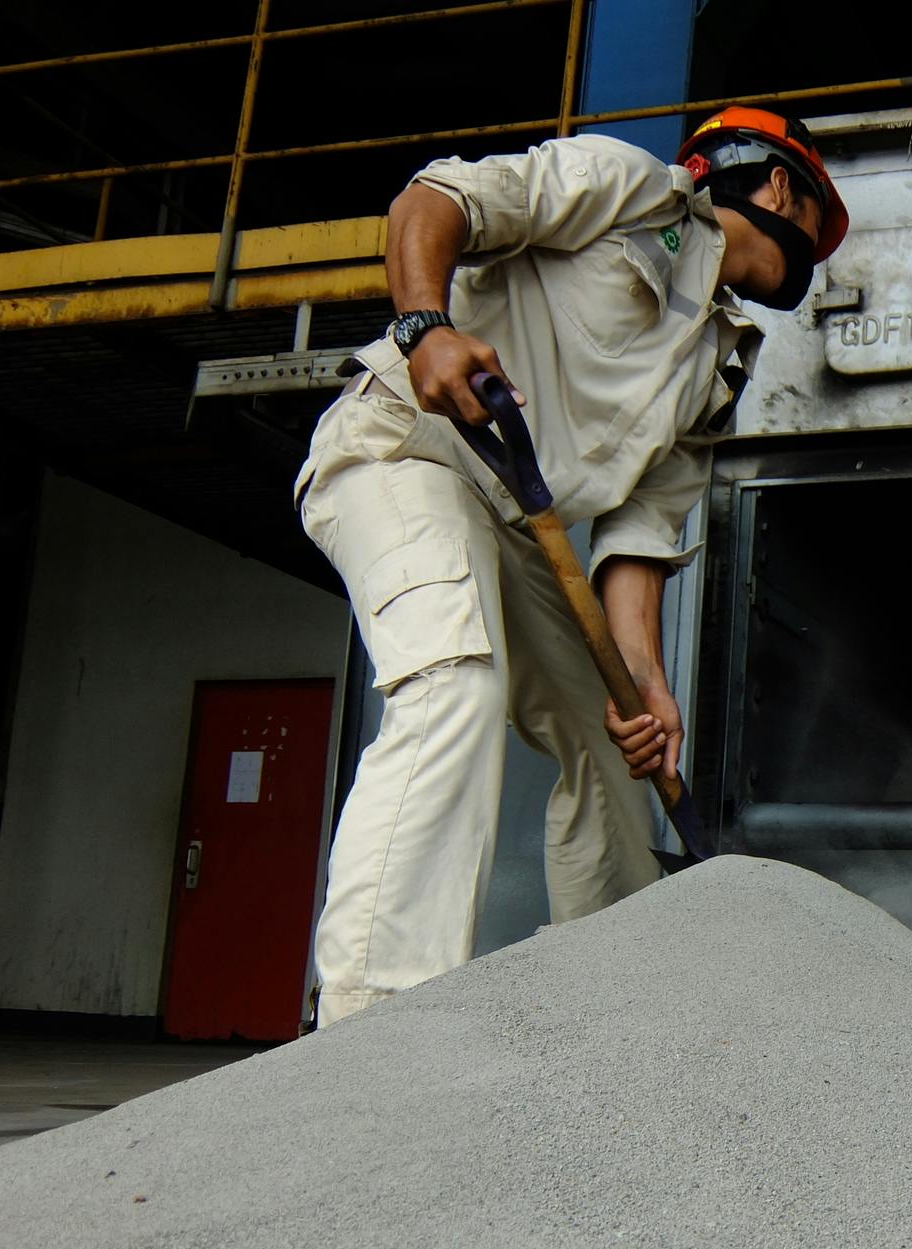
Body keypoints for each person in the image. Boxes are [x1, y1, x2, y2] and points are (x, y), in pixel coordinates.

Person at [296, 109, 847, 1028]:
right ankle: (372, 1020)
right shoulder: (627, 188)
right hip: (408, 449)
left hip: (517, 525)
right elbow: (432, 200)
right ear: (783, 187)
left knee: (614, 751)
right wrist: (425, 327)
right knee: (456, 679)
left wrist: (645, 686)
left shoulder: (719, 364)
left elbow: (638, 534)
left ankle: (621, 1017)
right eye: (816, 237)